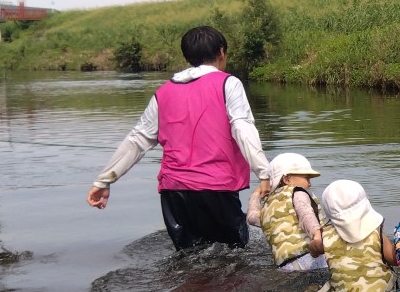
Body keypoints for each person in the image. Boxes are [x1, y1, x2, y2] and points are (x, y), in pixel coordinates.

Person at [86, 25, 270, 250]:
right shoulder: (228, 83)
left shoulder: (164, 92)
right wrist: (264, 172)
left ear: (187, 56)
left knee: (190, 257)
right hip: (216, 189)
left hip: (173, 193)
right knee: (233, 258)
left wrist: (103, 181)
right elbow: (243, 128)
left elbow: (138, 139)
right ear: (221, 52)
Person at [319, 179, 400, 292]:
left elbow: (314, 249)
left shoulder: (325, 235)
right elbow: (394, 259)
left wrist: (315, 242)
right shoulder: (375, 232)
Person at [247, 153, 326, 271]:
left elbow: (251, 217)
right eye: (306, 178)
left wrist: (255, 195)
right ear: (287, 179)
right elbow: (305, 214)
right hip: (310, 258)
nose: (309, 183)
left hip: (284, 267)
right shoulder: (298, 193)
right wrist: (317, 236)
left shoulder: (267, 206)